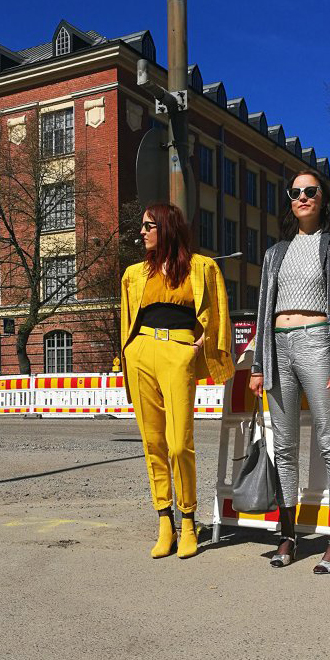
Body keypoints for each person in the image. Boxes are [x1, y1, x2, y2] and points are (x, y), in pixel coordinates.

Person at [249, 171, 330, 573]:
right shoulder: (275, 252)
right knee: (285, 447)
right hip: (278, 346)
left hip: (318, 342)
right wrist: (259, 364)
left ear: (322, 200)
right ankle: (287, 535)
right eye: (295, 192)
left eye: (310, 191)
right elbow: (264, 309)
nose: (302, 197)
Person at [121, 202, 234, 559]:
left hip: (179, 352)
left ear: (167, 227)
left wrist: (198, 345)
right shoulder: (134, 274)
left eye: (149, 226)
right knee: (152, 442)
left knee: (178, 443)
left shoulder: (202, 267)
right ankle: (164, 522)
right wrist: (129, 353)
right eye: (142, 226)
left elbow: (217, 314)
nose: (141, 232)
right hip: (141, 352)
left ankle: (188, 521)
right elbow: (126, 320)